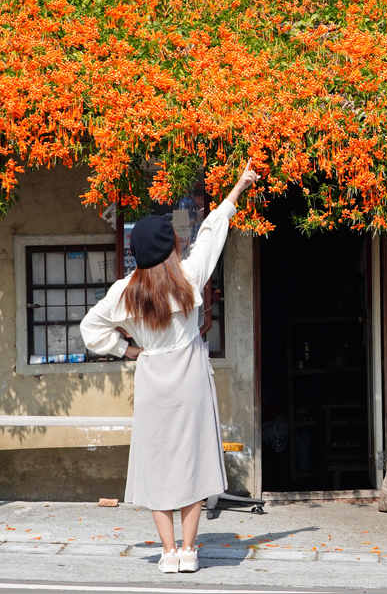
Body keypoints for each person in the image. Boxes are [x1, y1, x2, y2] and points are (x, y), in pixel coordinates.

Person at [80, 161, 259, 574]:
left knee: (159, 463)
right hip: (191, 378)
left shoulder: (125, 292)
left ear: (136, 253)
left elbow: (90, 330)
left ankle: (167, 552)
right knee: (191, 462)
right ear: (172, 244)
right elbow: (213, 232)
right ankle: (191, 551)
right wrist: (237, 187)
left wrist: (127, 351)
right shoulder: (189, 277)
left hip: (154, 379)